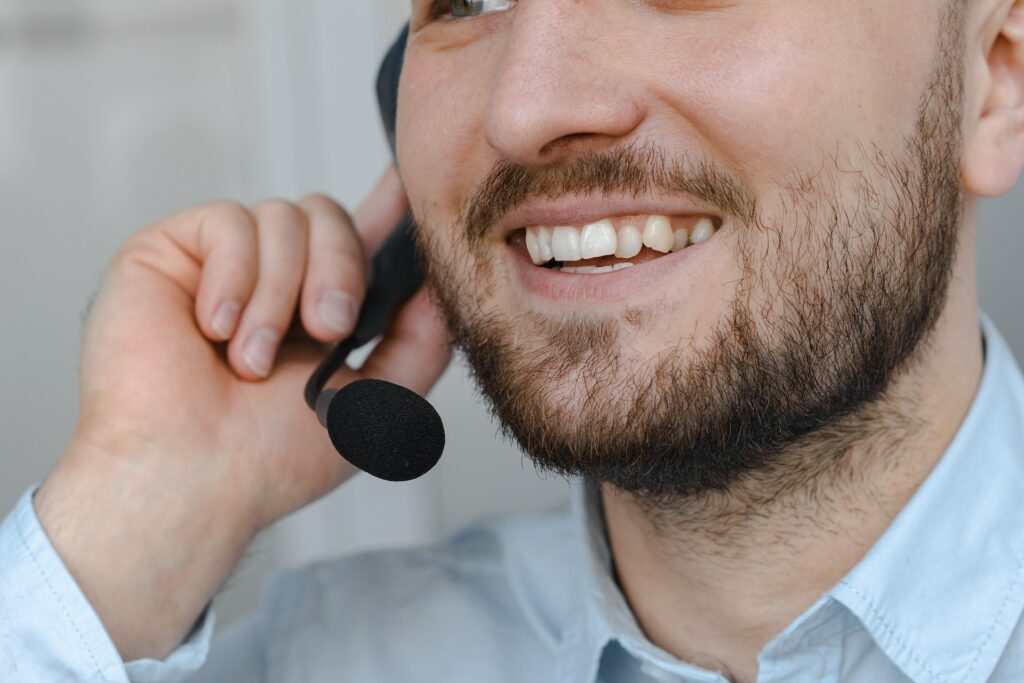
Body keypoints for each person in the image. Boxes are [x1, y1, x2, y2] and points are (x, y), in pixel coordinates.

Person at [3, 0, 1024, 681]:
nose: (525, 106)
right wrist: (136, 516)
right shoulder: (325, 658)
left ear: (994, 78)